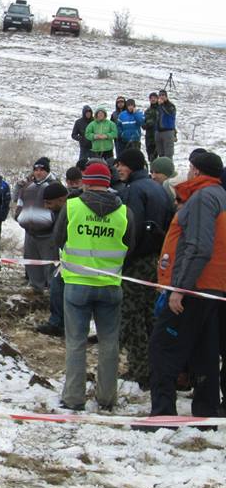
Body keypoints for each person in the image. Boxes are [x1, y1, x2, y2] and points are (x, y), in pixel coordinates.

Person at [148, 151, 225, 419]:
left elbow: (199, 247)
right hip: (213, 288)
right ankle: (206, 414)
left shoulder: (204, 197)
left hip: (195, 287)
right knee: (205, 353)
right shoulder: (220, 196)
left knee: (162, 348)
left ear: (195, 171)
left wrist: (179, 288)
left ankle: (162, 414)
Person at [53, 162, 135, 411]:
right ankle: (107, 397)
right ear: (109, 183)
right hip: (110, 285)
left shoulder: (72, 206)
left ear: (86, 181)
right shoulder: (125, 212)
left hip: (77, 284)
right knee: (110, 343)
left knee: (76, 342)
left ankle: (74, 397)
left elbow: (57, 239)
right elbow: (130, 246)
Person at [114, 148, 174, 388]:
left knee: (131, 316)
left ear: (134, 166)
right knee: (151, 315)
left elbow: (132, 229)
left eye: (122, 165)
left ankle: (141, 370)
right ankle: (157, 367)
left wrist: (125, 260)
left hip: (137, 262)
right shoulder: (158, 189)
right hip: (156, 260)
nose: (118, 168)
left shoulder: (135, 191)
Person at [14, 157, 59, 292]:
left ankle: (53, 289)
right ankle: (36, 288)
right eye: (36, 170)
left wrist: (54, 223)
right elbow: (19, 203)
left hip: (47, 233)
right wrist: (19, 217)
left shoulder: (54, 186)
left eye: (41, 170)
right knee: (32, 262)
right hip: (30, 231)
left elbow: (59, 208)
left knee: (50, 264)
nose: (38, 173)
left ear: (47, 171)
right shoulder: (28, 186)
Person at [35, 182, 71, 337]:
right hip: (64, 259)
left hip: (77, 261)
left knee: (61, 289)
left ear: (61, 199)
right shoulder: (59, 212)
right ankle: (57, 323)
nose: (46, 206)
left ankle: (63, 324)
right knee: (56, 288)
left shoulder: (71, 211)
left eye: (49, 203)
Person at [155, 89, 177, 158]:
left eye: (163, 95)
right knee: (160, 154)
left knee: (168, 154)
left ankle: (169, 168)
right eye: (160, 95)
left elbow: (169, 113)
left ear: (166, 96)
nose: (161, 97)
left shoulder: (171, 106)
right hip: (158, 132)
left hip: (168, 132)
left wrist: (162, 105)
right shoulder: (157, 106)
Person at [143, 92, 160, 161]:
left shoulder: (161, 110)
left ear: (157, 99)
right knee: (151, 157)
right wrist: (149, 123)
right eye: (151, 98)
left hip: (160, 136)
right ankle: (153, 171)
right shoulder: (147, 111)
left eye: (154, 98)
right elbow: (143, 125)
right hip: (150, 137)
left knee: (162, 156)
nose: (153, 100)